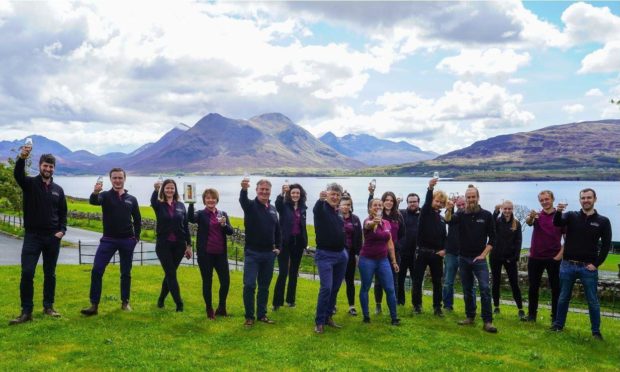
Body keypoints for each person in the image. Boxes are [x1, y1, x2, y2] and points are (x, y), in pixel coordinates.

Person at [9, 147, 67, 325]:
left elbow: (63, 213)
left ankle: (48, 307)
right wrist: (21, 158)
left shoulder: (58, 189)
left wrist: (61, 231)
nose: (48, 169)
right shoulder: (29, 184)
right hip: (32, 236)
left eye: (51, 166)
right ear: (39, 166)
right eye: (45, 166)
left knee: (50, 274)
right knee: (27, 273)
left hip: (52, 238)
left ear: (54, 169)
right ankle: (26, 312)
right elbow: (18, 174)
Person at [550, 189, 612, 340]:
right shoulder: (571, 216)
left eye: (589, 198)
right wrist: (558, 211)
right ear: (580, 200)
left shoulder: (603, 221)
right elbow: (557, 222)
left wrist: (596, 264)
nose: (586, 200)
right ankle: (558, 325)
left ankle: (596, 331)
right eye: (583, 198)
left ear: (595, 199)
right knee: (563, 297)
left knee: (592, 300)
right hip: (567, 265)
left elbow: (605, 246)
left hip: (587, 267)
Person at [81, 168, 141, 316]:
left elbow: (138, 220)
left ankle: (125, 302)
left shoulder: (131, 199)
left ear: (124, 179)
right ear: (110, 179)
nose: (117, 180)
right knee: (97, 270)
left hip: (127, 240)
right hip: (108, 240)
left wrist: (136, 238)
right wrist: (95, 192)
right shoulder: (105, 196)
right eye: (114, 178)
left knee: (126, 273)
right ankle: (94, 305)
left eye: (120, 178)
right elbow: (94, 201)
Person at [446, 184, 497, 333]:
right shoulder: (460, 214)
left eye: (473, 197)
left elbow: (493, 238)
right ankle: (470, 317)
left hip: (479, 259)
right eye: (468, 197)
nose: (470, 199)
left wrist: (483, 255)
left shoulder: (486, 215)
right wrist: (449, 208)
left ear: (478, 197)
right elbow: (448, 220)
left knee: (485, 289)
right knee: (467, 289)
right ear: (466, 198)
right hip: (463, 258)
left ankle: (487, 321)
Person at [239, 178, 281, 326]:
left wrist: (279, 247)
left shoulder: (273, 209)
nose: (264, 192)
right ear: (256, 190)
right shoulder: (250, 205)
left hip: (269, 254)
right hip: (252, 253)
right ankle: (249, 317)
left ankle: (262, 315)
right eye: (261, 189)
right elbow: (243, 200)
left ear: (270, 192)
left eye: (267, 190)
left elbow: (277, 230)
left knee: (264, 286)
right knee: (249, 285)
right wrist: (244, 189)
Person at [189, 188, 234, 319]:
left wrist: (224, 225)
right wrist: (191, 203)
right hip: (206, 255)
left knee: (225, 282)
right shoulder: (200, 214)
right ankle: (209, 309)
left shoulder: (222, 213)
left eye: (213, 198)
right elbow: (191, 218)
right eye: (208, 198)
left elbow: (230, 232)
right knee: (207, 282)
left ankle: (221, 307)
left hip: (220, 254)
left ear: (217, 200)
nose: (211, 200)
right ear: (204, 200)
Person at [150, 179, 192, 312]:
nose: (169, 190)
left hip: (179, 245)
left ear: (175, 190)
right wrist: (156, 189)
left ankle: (161, 300)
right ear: (163, 189)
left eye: (172, 188)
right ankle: (179, 304)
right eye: (167, 188)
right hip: (163, 245)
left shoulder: (180, 205)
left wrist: (189, 245)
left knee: (170, 274)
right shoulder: (158, 204)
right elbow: (153, 200)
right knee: (171, 274)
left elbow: (185, 226)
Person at [523, 190, 564, 323]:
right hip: (535, 257)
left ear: (552, 199)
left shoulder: (560, 217)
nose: (544, 202)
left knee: (556, 289)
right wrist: (530, 217)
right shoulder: (537, 216)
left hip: (554, 258)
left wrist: (559, 256)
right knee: (533, 288)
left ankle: (555, 317)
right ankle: (531, 315)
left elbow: (567, 239)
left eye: (547, 199)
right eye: (542, 200)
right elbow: (528, 222)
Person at [313, 183, 348, 334]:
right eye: (332, 194)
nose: (335, 197)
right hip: (325, 255)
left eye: (337, 195)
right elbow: (316, 209)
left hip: (341, 255)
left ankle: (328, 317)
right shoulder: (321, 209)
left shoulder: (338, 212)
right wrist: (320, 200)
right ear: (327, 194)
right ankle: (319, 321)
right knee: (326, 288)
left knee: (334, 288)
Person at [359, 198, 401, 326]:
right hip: (367, 260)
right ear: (370, 208)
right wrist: (373, 222)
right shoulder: (368, 221)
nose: (377, 207)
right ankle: (366, 316)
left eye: (380, 205)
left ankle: (394, 318)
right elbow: (368, 225)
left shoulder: (387, 223)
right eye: (375, 205)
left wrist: (393, 261)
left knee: (390, 288)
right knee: (365, 287)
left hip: (383, 260)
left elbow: (390, 244)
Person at [412, 178, 447, 316]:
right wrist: (430, 188)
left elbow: (445, 237)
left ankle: (437, 308)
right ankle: (417, 306)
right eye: (436, 200)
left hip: (437, 254)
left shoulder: (442, 219)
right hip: (422, 252)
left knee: (437, 282)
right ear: (432, 200)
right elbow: (426, 203)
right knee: (417, 280)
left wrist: (445, 249)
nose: (438, 203)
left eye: (441, 202)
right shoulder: (425, 213)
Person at [273, 183, 308, 310]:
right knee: (283, 272)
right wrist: (282, 193)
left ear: (301, 194)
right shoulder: (283, 205)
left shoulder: (303, 207)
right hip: (284, 242)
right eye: (293, 193)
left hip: (298, 243)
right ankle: (277, 302)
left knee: (293, 272)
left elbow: (303, 227)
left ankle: (291, 300)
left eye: (297, 193)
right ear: (289, 194)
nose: (295, 195)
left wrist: (304, 243)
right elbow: (277, 204)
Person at [372, 192, 405, 314]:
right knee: (379, 281)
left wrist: (398, 246)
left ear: (394, 202)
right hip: (380, 252)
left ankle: (394, 304)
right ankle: (378, 305)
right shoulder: (378, 215)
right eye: (386, 200)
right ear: (383, 201)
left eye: (391, 200)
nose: (389, 202)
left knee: (394, 280)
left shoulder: (398, 216)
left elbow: (402, 234)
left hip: (394, 253)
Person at [491, 200, 524, 318]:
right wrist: (495, 211)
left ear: (512, 209)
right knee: (496, 282)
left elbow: (518, 242)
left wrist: (514, 258)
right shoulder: (497, 221)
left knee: (514, 283)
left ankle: (520, 309)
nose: (507, 211)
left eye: (509, 209)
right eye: (505, 209)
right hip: (495, 256)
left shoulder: (516, 224)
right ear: (502, 209)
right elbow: (491, 223)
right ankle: (496, 306)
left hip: (510, 258)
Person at [340, 193, 363, 316]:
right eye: (343, 204)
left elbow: (359, 238)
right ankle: (332, 305)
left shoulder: (355, 219)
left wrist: (358, 254)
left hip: (350, 254)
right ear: (339, 205)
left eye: (348, 204)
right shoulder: (335, 217)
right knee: (335, 280)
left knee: (350, 281)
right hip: (338, 253)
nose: (346, 207)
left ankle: (351, 306)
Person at [442, 195, 465, 312]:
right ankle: (447, 305)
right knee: (448, 281)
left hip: (465, 253)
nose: (461, 207)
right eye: (459, 205)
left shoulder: (470, 217)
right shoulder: (453, 215)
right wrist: (449, 208)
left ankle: (469, 307)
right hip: (451, 252)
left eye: (463, 204)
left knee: (468, 283)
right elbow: (447, 219)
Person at [397, 193, 420, 307]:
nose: (412, 204)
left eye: (414, 202)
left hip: (417, 254)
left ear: (418, 202)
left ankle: (416, 304)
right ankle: (400, 302)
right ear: (407, 203)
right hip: (402, 252)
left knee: (416, 280)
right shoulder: (401, 213)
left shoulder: (423, 214)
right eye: (410, 202)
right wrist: (397, 203)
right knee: (400, 279)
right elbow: (391, 214)